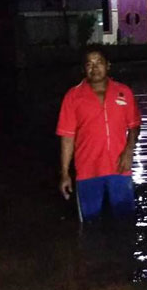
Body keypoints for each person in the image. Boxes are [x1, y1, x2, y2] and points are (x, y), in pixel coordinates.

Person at [56, 49, 141, 223]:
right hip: (88, 171)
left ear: (108, 65)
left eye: (99, 62)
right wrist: (65, 173)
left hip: (119, 168)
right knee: (90, 224)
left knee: (125, 222)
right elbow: (67, 137)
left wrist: (129, 151)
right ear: (83, 69)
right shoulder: (73, 97)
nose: (95, 68)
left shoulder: (124, 92)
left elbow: (134, 125)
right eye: (89, 64)